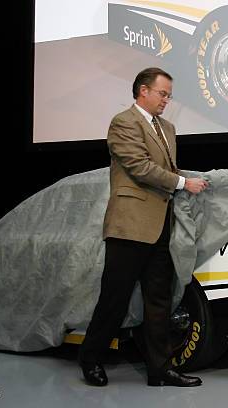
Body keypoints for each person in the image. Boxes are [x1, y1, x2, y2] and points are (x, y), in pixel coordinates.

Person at [78, 67, 208, 387]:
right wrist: (182, 183)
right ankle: (91, 359)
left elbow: (166, 169)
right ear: (143, 92)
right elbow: (139, 167)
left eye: (169, 95)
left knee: (159, 301)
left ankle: (159, 369)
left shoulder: (168, 127)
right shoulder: (123, 123)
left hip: (160, 225)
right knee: (115, 299)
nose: (167, 100)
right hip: (129, 226)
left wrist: (183, 181)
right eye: (162, 93)